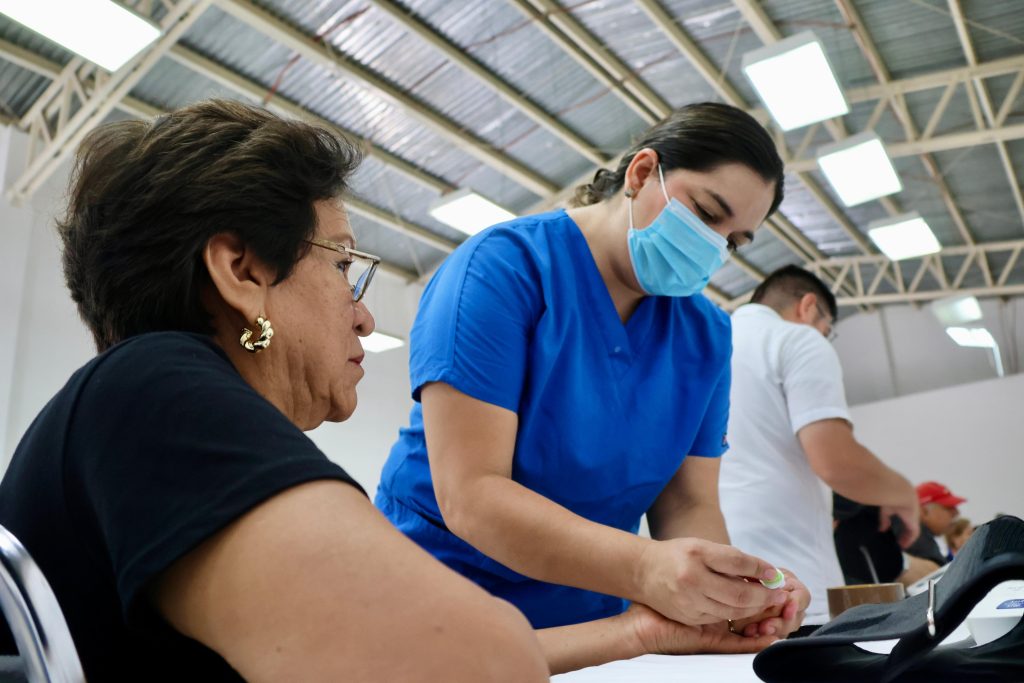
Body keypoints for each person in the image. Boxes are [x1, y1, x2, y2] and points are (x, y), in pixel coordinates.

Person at [0, 100, 785, 682]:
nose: (365, 309)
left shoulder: (136, 405)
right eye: (342, 264)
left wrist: (638, 632)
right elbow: (474, 659)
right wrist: (642, 585)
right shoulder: (159, 395)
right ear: (240, 272)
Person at [375, 102, 810, 640]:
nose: (712, 246)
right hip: (440, 602)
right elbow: (472, 495)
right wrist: (647, 569)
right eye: (704, 212)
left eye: (735, 241)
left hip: (591, 624)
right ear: (643, 172)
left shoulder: (706, 335)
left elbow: (688, 504)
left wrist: (730, 590)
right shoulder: (502, 270)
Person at [718, 265, 920, 630]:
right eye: (828, 329)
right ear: (808, 307)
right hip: (789, 583)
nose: (824, 336)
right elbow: (836, 462)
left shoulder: (711, 341)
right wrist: (905, 494)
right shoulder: (795, 338)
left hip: (713, 583)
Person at [905, 481, 967, 566]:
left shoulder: (911, 535)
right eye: (948, 507)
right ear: (924, 511)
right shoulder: (916, 536)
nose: (956, 512)